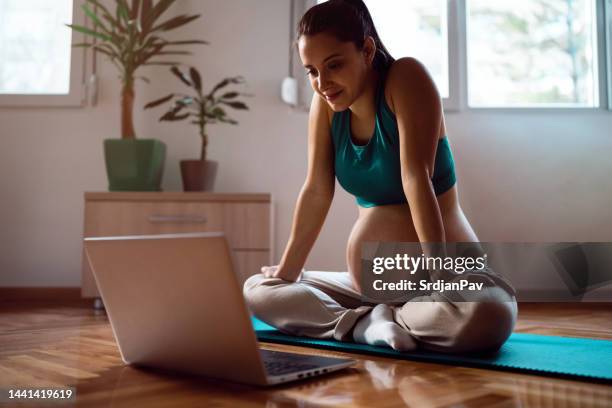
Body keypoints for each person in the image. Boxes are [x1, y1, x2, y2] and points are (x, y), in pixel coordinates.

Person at [244, 0, 517, 353]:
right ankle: (367, 323)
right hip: (366, 289)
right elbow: (315, 191)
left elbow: (416, 178)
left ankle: (378, 320)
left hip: (447, 272)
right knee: (257, 289)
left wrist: (441, 277)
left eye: (334, 65)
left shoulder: (405, 79)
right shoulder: (326, 107)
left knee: (489, 313)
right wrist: (286, 273)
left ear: (367, 49)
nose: (322, 82)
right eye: (311, 71)